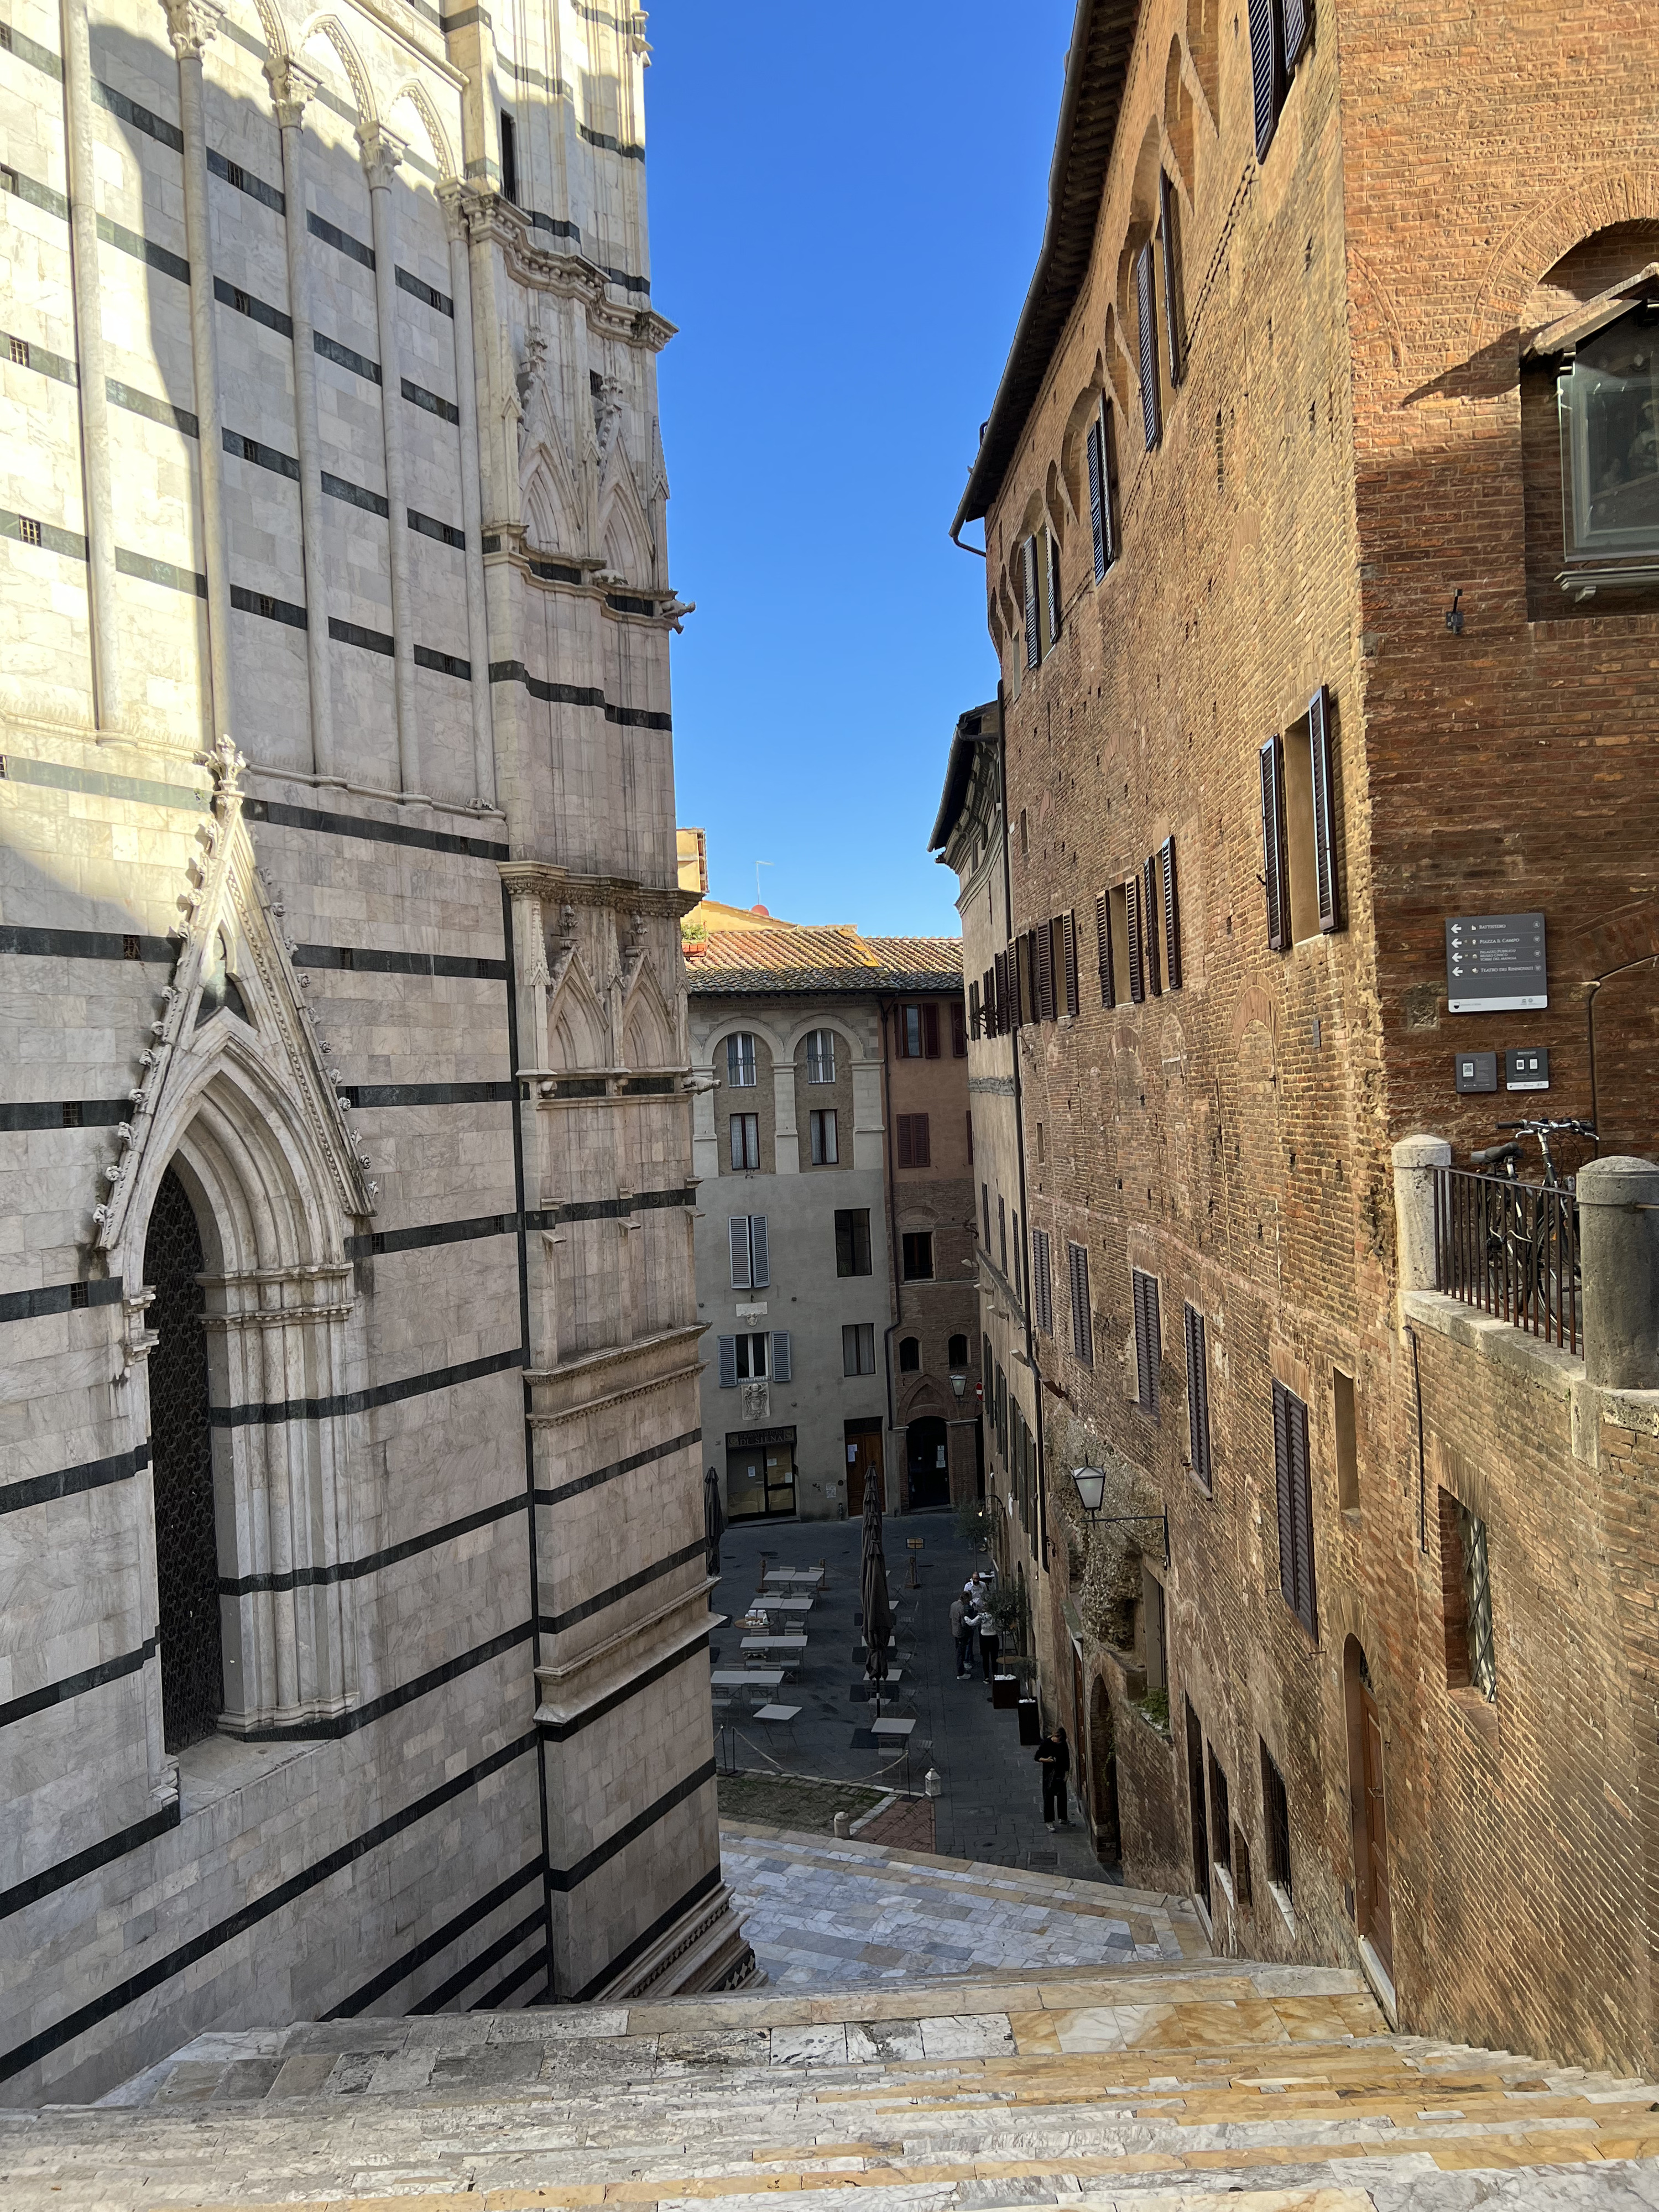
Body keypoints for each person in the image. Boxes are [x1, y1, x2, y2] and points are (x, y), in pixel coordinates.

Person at [1036, 1724, 1071, 1829]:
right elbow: (1037, 1757)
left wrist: (1067, 1774)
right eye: (1057, 1738)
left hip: (1060, 1774)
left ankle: (1063, 1818)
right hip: (1049, 1775)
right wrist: (1047, 1760)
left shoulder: (1063, 1744)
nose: (1058, 1741)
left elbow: (1067, 1759)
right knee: (1049, 1798)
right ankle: (1049, 1821)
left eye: (1060, 1740)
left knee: (1062, 1796)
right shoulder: (1046, 1744)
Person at [977, 1594, 1000, 1686]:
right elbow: (1000, 1625)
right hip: (994, 1637)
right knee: (995, 1657)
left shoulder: (981, 1616)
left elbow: (973, 1623)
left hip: (984, 1638)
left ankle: (986, 1677)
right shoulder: (995, 1616)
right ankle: (995, 1675)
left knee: (985, 1658)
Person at [950, 1593, 973, 1679]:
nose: (969, 1602)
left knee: (959, 1651)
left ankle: (962, 1670)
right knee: (961, 1653)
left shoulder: (953, 1605)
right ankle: (960, 1673)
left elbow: (951, 1617)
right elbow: (963, 1623)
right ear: (965, 1599)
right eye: (968, 1600)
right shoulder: (962, 1608)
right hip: (961, 1633)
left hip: (955, 1631)